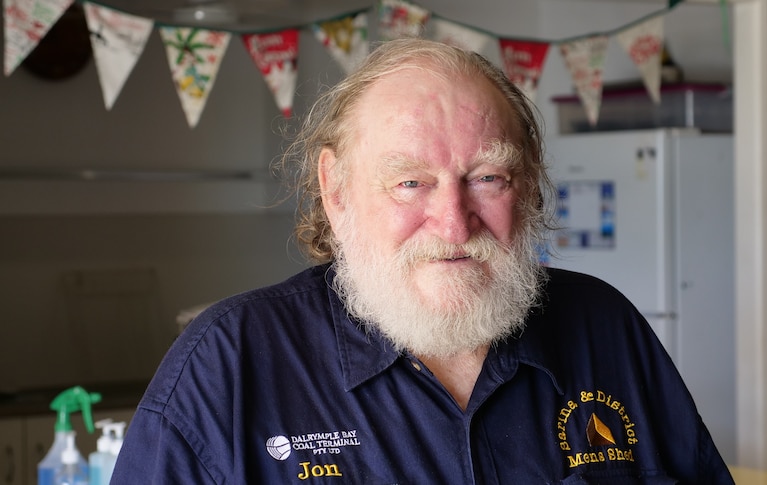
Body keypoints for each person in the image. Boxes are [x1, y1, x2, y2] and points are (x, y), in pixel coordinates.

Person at [111, 38, 733, 484]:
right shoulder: (227, 365)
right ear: (335, 190)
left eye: (488, 176)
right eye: (409, 182)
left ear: (532, 185)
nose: (454, 222)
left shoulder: (605, 325)